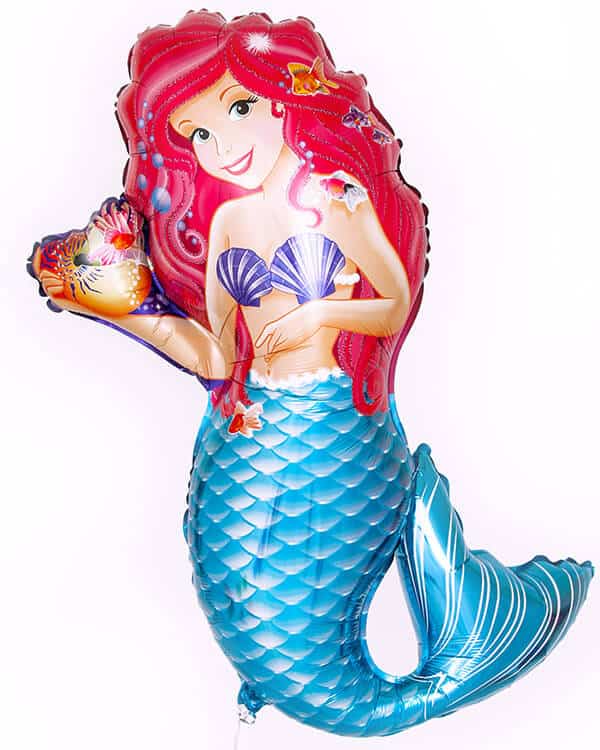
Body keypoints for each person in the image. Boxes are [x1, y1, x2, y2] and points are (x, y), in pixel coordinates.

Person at [29, 10, 593, 738]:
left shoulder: (336, 197)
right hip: (242, 444)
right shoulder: (227, 224)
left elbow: (392, 304)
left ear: (283, 100)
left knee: (296, 645)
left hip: (336, 438)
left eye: (237, 109)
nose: (222, 146)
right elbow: (216, 360)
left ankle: (468, 637)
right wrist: (122, 310)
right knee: (252, 617)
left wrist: (318, 318)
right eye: (198, 134)